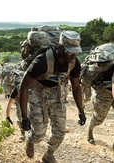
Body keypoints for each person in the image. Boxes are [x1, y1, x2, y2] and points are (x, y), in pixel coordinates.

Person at [19, 30, 86, 162]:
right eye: (69, 51)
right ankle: (31, 140)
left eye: (76, 51)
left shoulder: (74, 63)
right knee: (39, 133)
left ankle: (48, 155)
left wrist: (81, 110)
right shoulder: (42, 61)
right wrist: (24, 117)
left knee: (60, 132)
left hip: (57, 92)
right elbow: (24, 87)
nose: (74, 55)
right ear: (61, 48)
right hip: (38, 92)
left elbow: (76, 87)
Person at [6, 70, 25, 140]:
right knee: (20, 118)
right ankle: (22, 133)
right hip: (19, 102)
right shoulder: (16, 89)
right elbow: (10, 103)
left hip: (30, 102)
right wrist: (7, 116)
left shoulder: (31, 87)